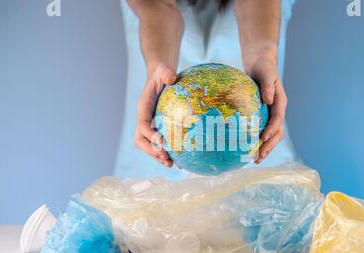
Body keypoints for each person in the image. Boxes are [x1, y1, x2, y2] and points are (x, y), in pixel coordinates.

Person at [115, 0, 297, 180]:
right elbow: (160, 7)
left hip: (261, 174)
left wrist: (263, 59)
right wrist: (158, 68)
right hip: (151, 178)